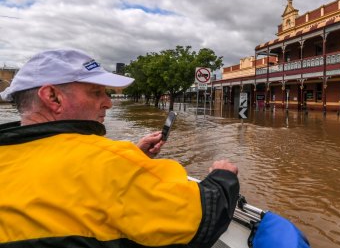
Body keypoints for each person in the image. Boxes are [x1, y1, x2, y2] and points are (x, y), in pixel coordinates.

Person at [0, 49, 239, 248]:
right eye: (96, 92)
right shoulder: (110, 162)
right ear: (52, 97)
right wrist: (223, 176)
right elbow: (203, 217)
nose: (109, 102)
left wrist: (134, 156)